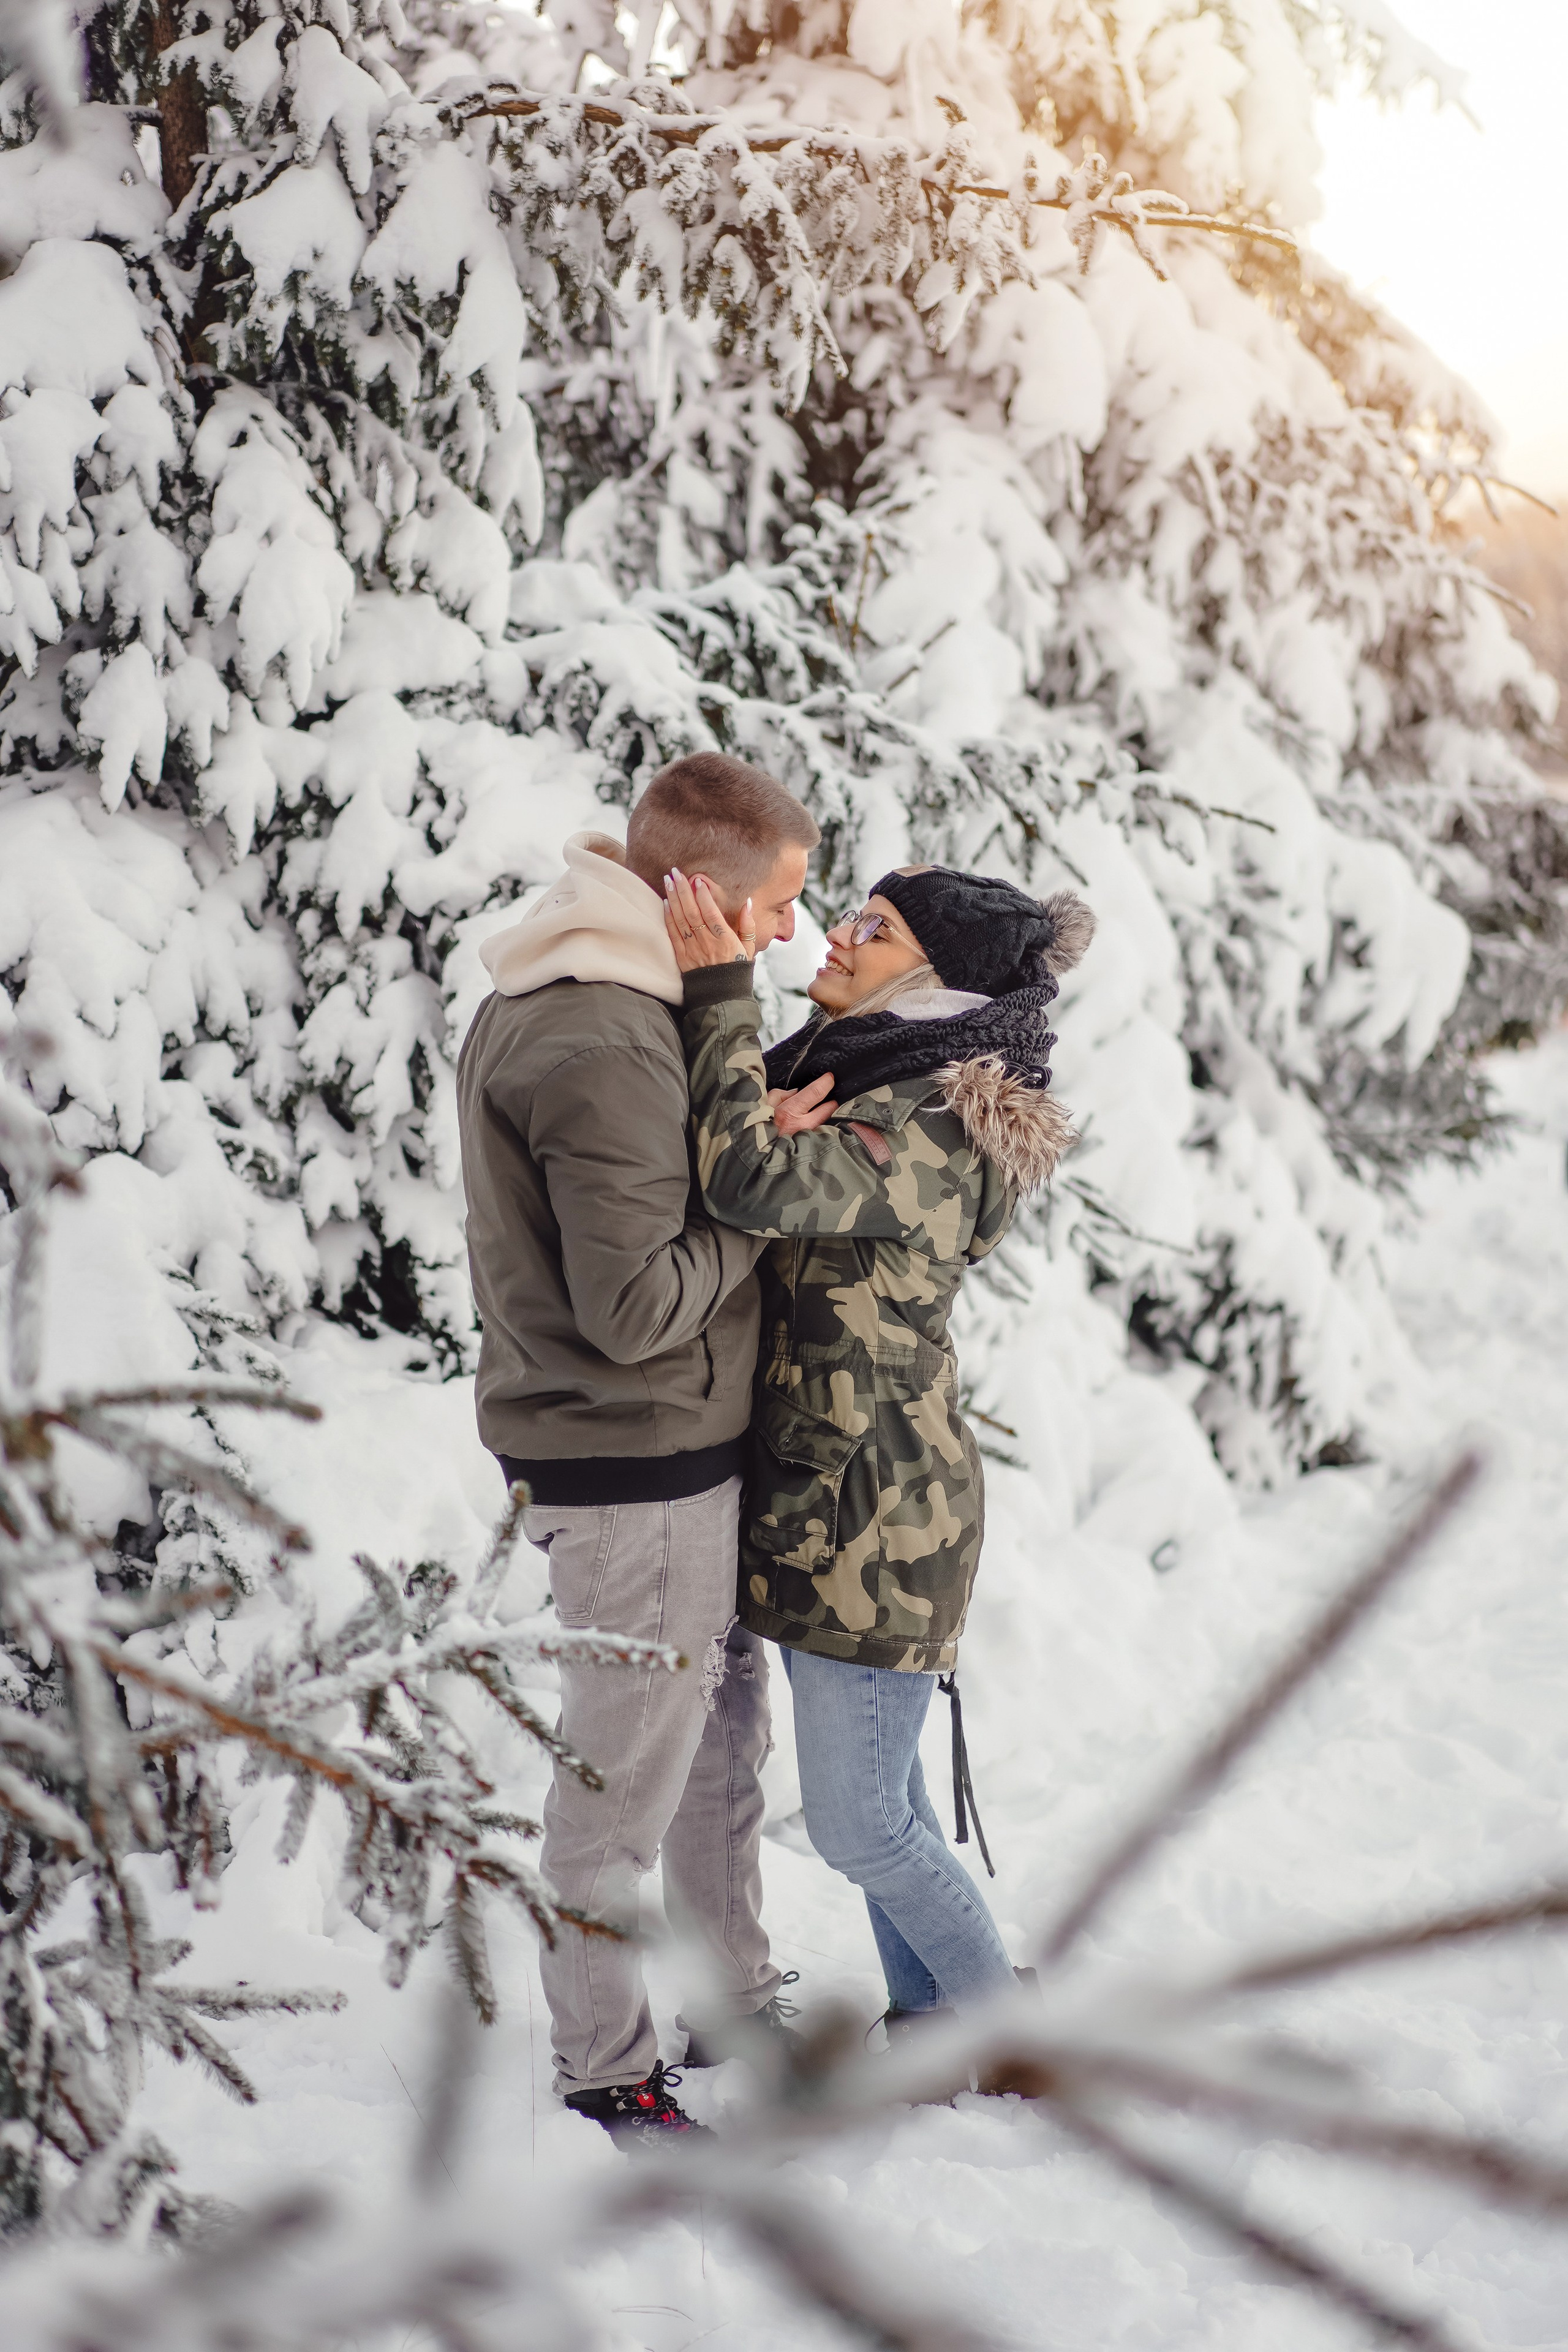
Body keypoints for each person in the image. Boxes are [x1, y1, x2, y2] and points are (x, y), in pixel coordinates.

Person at [663, 859, 1094, 2041]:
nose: (842, 938)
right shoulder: (869, 1079)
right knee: (887, 1796)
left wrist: (717, 999)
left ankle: (1005, 2029)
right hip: (832, 1485)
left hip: (881, 1509)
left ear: (936, 978)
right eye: (855, 915)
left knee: (859, 1823)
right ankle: (933, 2016)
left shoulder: (937, 1123)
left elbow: (748, 1178)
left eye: (877, 927)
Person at [456, 753, 818, 2141]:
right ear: (699, 897)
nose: (792, 931)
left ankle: (730, 1998)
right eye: (777, 905)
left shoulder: (608, 995)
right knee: (621, 1790)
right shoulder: (603, 1034)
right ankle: (607, 2068)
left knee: (716, 1749)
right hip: (633, 1463)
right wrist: (761, 1192)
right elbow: (633, 1307)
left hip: (668, 1457)